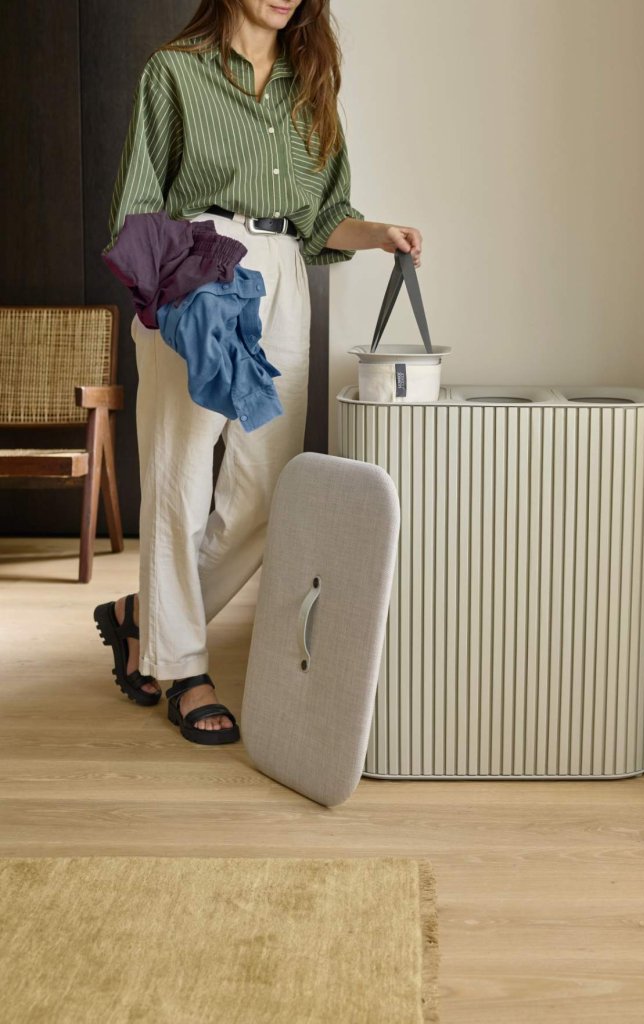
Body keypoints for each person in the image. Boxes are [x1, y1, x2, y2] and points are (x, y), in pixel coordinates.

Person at [93, 0, 422, 745]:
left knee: (267, 492)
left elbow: (324, 215)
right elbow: (136, 206)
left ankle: (144, 619)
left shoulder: (311, 81)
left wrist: (378, 233)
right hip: (199, 269)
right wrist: (172, 296)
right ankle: (183, 669)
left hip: (284, 274)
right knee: (180, 480)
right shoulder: (175, 73)